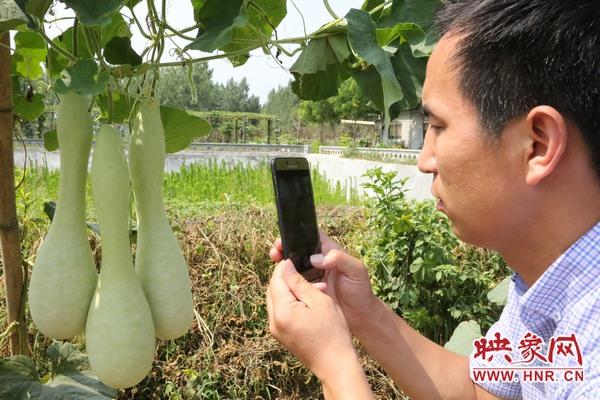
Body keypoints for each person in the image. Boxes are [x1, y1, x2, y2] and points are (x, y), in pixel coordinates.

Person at [266, 0, 600, 399]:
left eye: (438, 126)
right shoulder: (543, 286)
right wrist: (366, 315)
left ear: (538, 145)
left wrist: (334, 365)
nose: (424, 161)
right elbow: (483, 394)